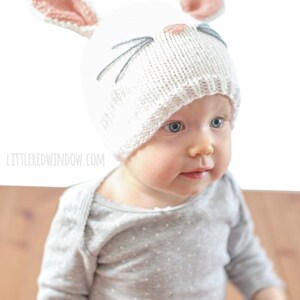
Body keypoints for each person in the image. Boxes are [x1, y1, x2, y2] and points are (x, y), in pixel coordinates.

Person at [34, 1, 286, 299]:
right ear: (125, 134)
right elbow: (62, 291)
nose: (205, 145)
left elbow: (243, 255)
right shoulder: (87, 216)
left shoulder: (223, 190)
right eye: (175, 126)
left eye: (217, 121)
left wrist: (266, 291)